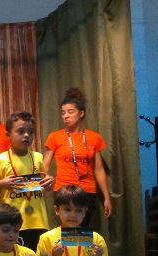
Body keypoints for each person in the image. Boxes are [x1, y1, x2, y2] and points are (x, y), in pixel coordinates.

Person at [43, 88, 112, 227]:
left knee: (83, 230)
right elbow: (44, 165)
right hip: (63, 190)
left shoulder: (94, 138)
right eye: (63, 113)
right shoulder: (54, 137)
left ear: (81, 113)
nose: (66, 116)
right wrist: (44, 182)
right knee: (66, 229)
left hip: (87, 191)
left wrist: (106, 198)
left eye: (70, 112)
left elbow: (99, 170)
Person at [0, 111, 53, 251]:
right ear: (8, 135)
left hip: (39, 220)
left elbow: (43, 184)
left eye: (31, 132)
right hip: (12, 224)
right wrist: (1, 184)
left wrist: (49, 182)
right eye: (21, 131)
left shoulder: (38, 157)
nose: (27, 135)